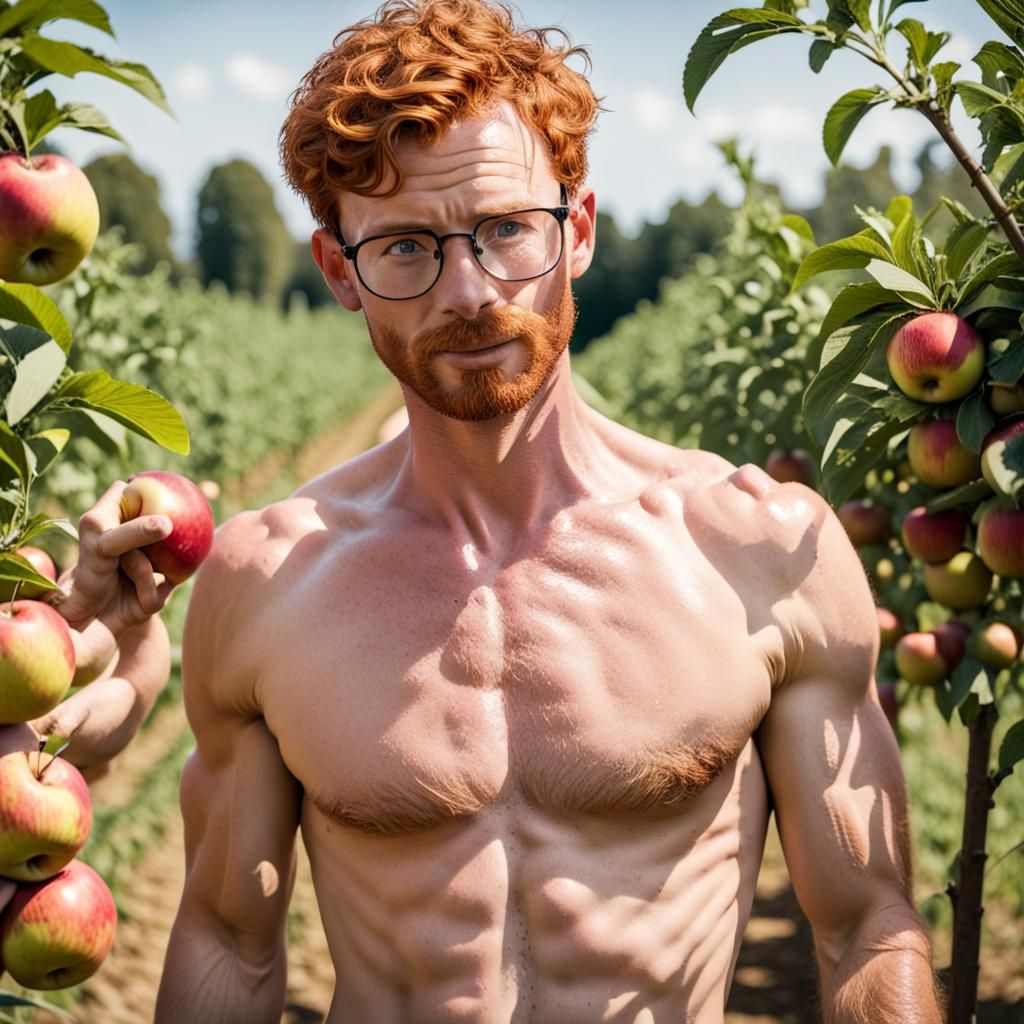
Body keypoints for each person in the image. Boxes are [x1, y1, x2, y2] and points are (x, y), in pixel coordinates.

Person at [155, 1, 943, 1020]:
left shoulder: (754, 550)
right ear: (338, 270)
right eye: (405, 247)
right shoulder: (268, 582)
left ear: (575, 229)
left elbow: (863, 926)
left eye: (505, 230)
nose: (472, 291)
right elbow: (228, 937)